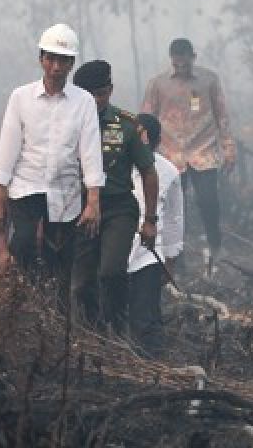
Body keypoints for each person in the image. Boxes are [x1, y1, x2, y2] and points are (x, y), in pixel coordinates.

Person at [0, 24, 104, 297]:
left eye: (63, 60)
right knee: (25, 243)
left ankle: (54, 318)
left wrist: (93, 201)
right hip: (26, 186)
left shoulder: (83, 102)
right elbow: (8, 146)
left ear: (71, 64)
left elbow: (90, 152)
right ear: (41, 59)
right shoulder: (21, 98)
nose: (55, 67)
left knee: (60, 261)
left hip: (65, 192)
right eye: (51, 58)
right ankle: (24, 299)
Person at [71, 59, 157, 333]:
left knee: (111, 271)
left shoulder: (128, 126)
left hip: (118, 208)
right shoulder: (66, 123)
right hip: (78, 208)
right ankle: (91, 332)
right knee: (81, 282)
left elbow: (148, 172)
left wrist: (150, 220)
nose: (95, 101)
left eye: (101, 94)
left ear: (110, 90)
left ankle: (118, 326)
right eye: (89, 95)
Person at [141, 38, 236, 275]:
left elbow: (222, 115)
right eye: (177, 58)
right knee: (172, 207)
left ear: (193, 56)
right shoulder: (158, 84)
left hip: (203, 152)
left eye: (185, 58)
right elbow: (146, 117)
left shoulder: (209, 81)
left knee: (208, 203)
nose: (181, 63)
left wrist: (229, 147)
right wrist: (143, 150)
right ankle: (175, 257)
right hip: (170, 154)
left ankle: (216, 247)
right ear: (171, 58)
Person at [127, 113, 184, 356]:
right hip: (114, 248)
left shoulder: (168, 172)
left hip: (148, 253)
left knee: (146, 315)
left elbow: (174, 218)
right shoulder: (115, 165)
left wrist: (170, 261)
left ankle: (151, 365)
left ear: (157, 143)